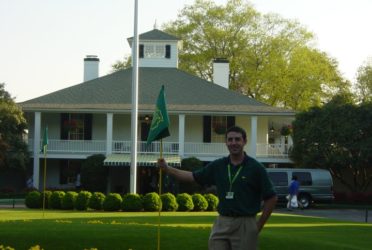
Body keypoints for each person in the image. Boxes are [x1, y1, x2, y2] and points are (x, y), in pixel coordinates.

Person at [158, 126, 277, 250]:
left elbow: (272, 197)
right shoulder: (218, 165)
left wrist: (258, 225)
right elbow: (192, 176)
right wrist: (167, 169)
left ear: (244, 141)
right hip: (222, 222)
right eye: (230, 140)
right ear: (226, 142)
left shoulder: (256, 168)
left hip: (245, 223)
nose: (233, 143)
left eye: (237, 139)